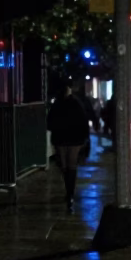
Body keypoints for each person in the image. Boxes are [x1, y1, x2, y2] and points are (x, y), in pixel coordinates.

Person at [46, 84, 90, 213]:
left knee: (65, 166)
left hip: (62, 138)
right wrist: (84, 137)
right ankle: (70, 192)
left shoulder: (57, 104)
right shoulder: (76, 103)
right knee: (71, 165)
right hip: (74, 138)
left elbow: (50, 122)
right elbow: (83, 121)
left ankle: (69, 191)